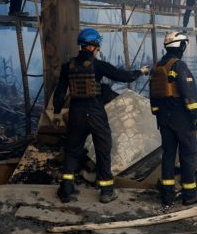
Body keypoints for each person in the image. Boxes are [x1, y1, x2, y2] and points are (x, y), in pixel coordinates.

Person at [53, 28, 149, 204]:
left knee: (72, 151)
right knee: (103, 150)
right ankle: (106, 191)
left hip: (76, 113)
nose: (98, 50)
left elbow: (60, 92)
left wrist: (57, 113)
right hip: (95, 112)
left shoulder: (68, 66)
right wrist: (140, 72)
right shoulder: (98, 65)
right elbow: (122, 76)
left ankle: (66, 190)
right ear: (90, 47)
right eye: (97, 46)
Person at [149, 32, 197, 206]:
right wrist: (195, 116)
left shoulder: (158, 66)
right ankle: (189, 194)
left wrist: (158, 114)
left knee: (168, 155)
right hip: (181, 119)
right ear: (181, 46)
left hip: (163, 119)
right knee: (188, 155)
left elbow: (153, 96)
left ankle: (167, 195)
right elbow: (189, 93)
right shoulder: (179, 66)